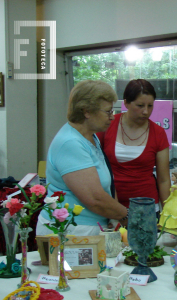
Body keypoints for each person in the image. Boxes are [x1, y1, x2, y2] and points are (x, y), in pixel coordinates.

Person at [36, 80, 128, 236]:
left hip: (88, 228)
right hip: (69, 230)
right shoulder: (70, 143)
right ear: (86, 111)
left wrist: (115, 217)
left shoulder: (90, 137)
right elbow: (94, 199)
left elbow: (107, 186)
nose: (112, 117)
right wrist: (127, 216)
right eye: (107, 111)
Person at [97, 79, 170, 216]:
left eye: (150, 106)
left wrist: (168, 214)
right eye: (140, 105)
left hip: (146, 206)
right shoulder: (107, 125)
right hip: (111, 205)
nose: (145, 111)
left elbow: (164, 179)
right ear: (126, 103)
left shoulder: (158, 133)